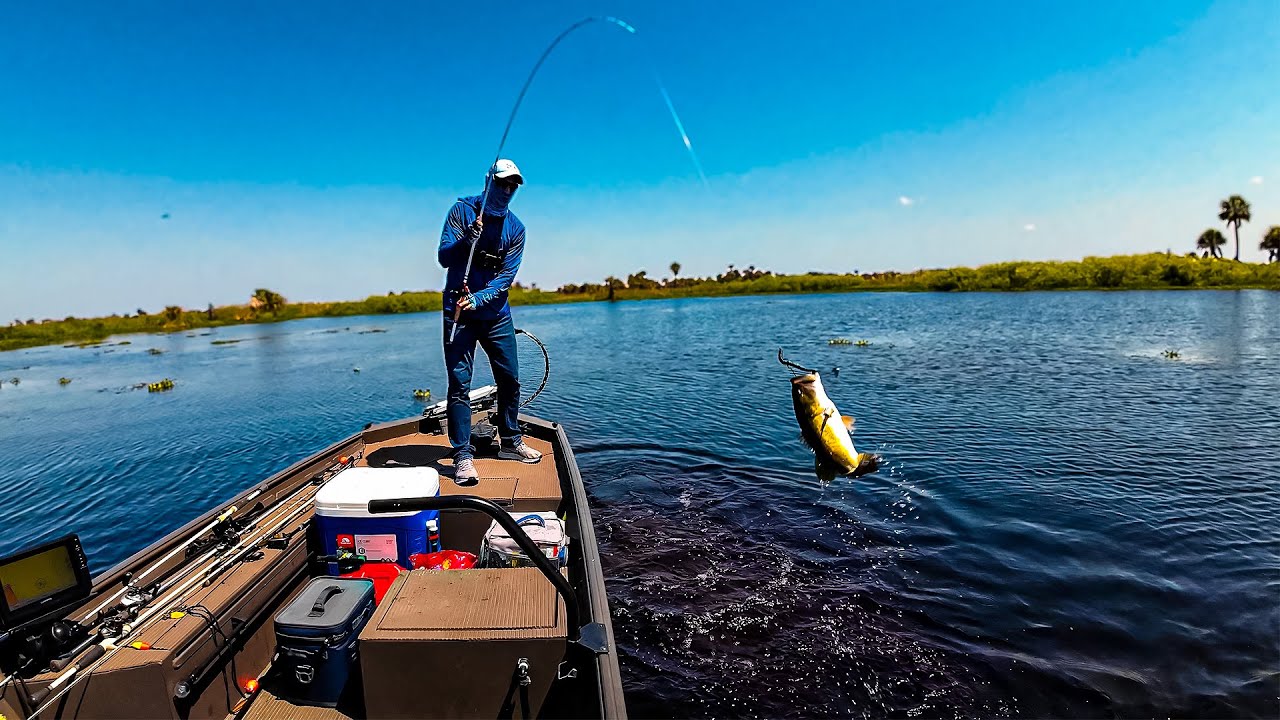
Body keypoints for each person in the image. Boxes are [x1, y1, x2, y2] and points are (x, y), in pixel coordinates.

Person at [437, 159, 542, 486]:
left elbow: (505, 278)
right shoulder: (462, 211)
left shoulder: (517, 229)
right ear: (488, 182)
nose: (507, 190)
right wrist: (467, 239)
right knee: (459, 385)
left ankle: (510, 442)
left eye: (513, 186)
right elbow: (444, 257)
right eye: (502, 183)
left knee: (510, 378)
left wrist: (480, 298)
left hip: (496, 314)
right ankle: (463, 455)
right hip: (459, 313)